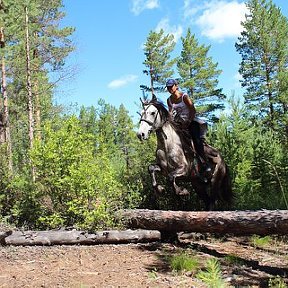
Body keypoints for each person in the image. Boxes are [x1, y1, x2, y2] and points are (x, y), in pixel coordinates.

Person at [166, 78, 211, 173]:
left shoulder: (184, 97)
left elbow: (192, 110)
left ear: (176, 86)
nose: (169, 89)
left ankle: (204, 163)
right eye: (168, 87)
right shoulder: (169, 100)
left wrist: (188, 121)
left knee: (196, 140)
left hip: (190, 121)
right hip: (178, 123)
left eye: (171, 86)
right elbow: (170, 113)